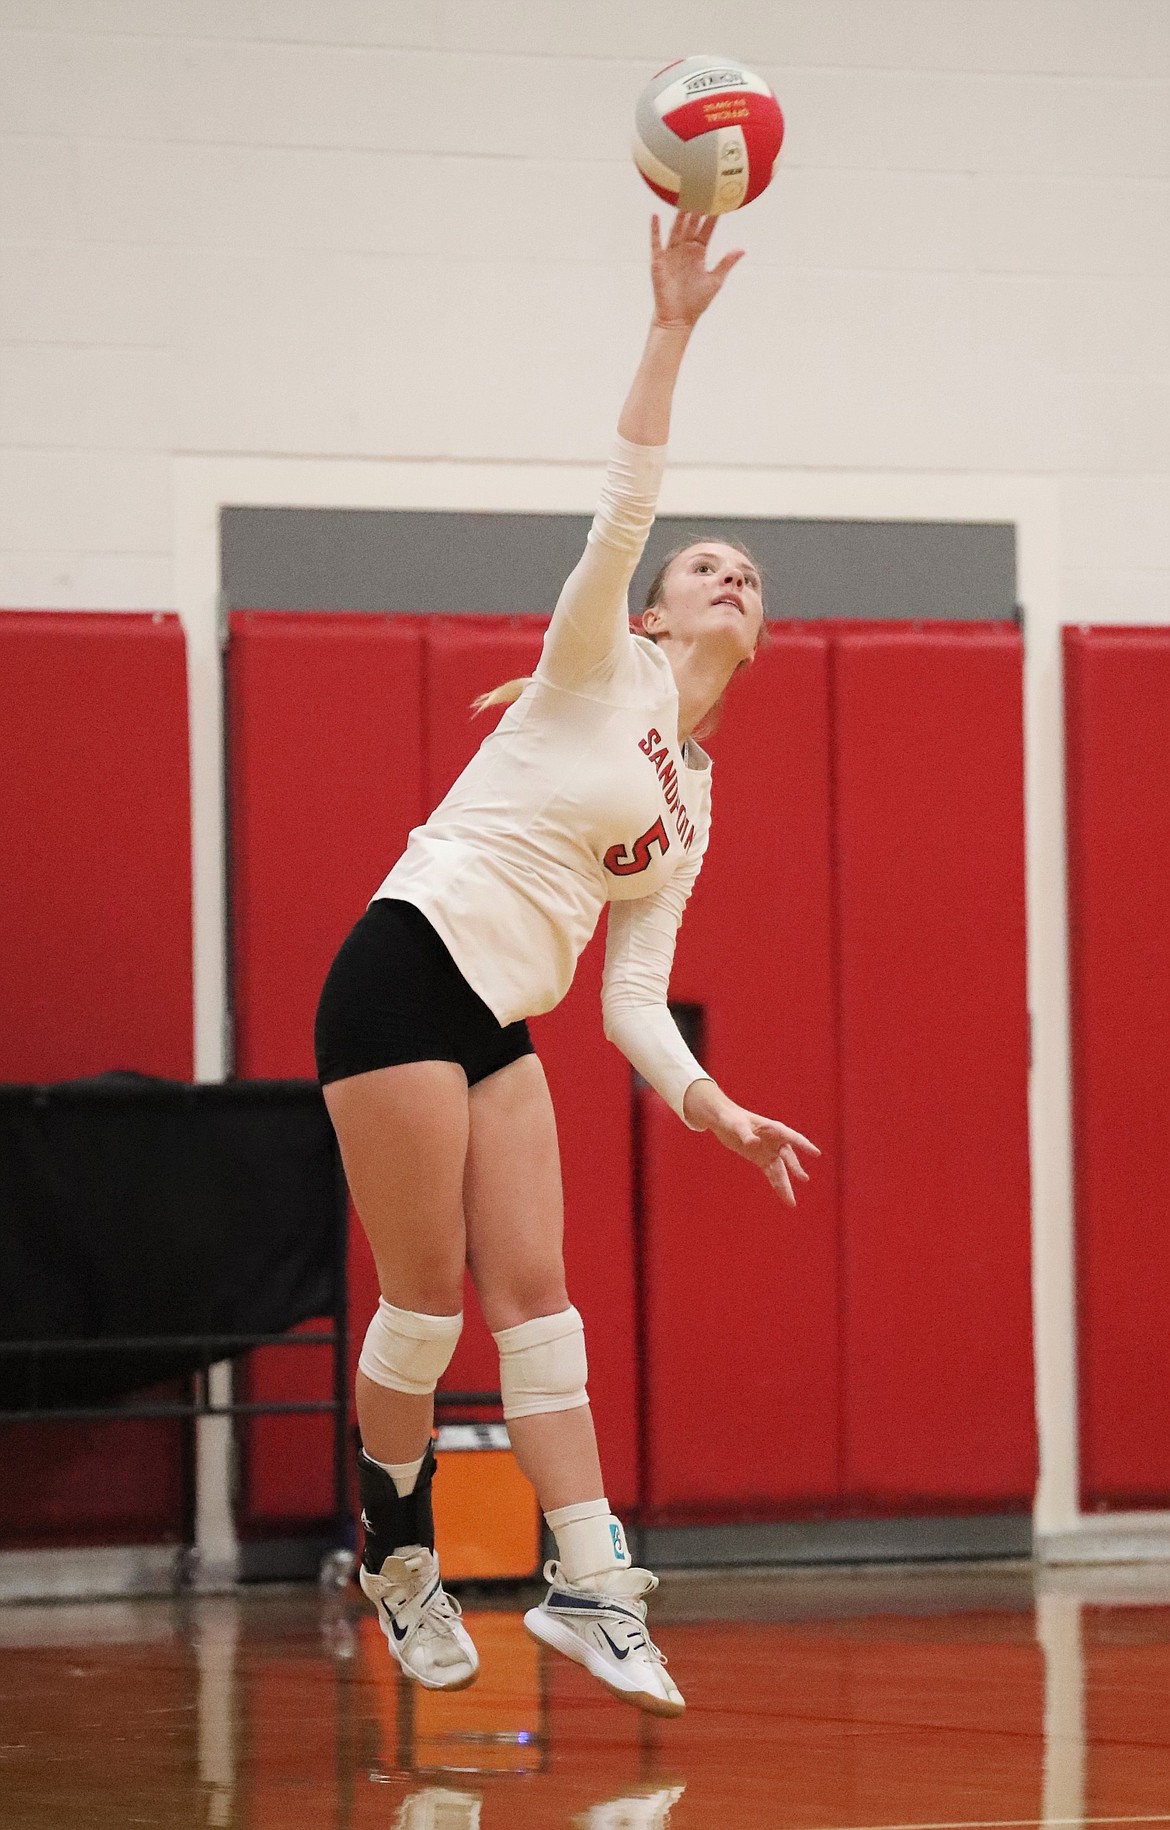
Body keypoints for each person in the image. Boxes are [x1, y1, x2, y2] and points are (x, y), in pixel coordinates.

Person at [314, 211, 820, 1717]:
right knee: (424, 1307)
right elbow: (627, 494)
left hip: (499, 1014)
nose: (722, 574)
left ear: (761, 630)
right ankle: (396, 1551)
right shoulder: (598, 653)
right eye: (701, 565)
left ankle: (591, 1584)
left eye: (746, 571)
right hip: (404, 966)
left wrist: (708, 1103)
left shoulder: (698, 795)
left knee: (540, 1295)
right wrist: (668, 327)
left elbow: (625, 993)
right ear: (655, 606)